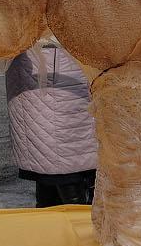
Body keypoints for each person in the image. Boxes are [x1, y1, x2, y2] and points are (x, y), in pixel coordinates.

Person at [6, 44, 98, 207]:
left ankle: (60, 218)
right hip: (49, 65)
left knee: (60, 162)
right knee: (60, 163)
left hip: (65, 65)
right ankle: (74, 218)